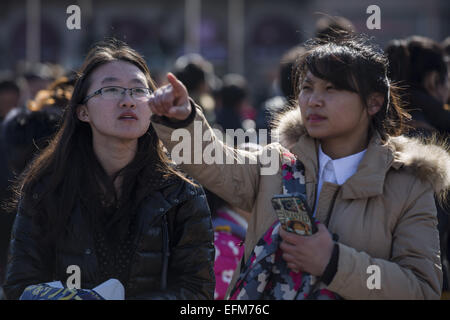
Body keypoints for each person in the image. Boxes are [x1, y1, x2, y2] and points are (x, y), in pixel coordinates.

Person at [148, 34, 449, 299]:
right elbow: (214, 162)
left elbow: (421, 289)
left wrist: (333, 262)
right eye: (307, 87)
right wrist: (182, 121)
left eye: (332, 89)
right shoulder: (278, 163)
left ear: (373, 102)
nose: (314, 101)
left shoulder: (408, 184)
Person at [3, 39, 215, 300]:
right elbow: (19, 287)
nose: (127, 101)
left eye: (139, 90)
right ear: (83, 112)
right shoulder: (46, 187)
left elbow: (198, 292)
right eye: (111, 90)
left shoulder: (182, 193)